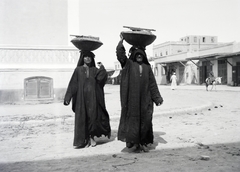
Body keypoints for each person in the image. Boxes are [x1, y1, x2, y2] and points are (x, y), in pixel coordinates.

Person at [116, 35, 163, 152]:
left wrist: (157, 98)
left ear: (144, 56)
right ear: (133, 56)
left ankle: (143, 142)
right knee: (133, 121)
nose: (139, 56)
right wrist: (121, 42)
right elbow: (120, 55)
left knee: (146, 121)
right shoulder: (128, 65)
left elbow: (152, 84)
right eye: (137, 54)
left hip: (145, 101)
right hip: (132, 101)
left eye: (141, 54)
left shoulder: (147, 68)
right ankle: (134, 143)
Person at [63, 50, 111, 149]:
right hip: (81, 99)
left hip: (93, 98)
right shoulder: (78, 70)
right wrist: (68, 97)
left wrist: (102, 68)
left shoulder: (94, 70)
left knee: (93, 118)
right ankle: (83, 140)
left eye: (90, 57)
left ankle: (92, 137)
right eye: (85, 56)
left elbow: (101, 78)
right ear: (82, 58)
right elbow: (73, 84)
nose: (88, 58)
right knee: (82, 119)